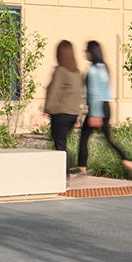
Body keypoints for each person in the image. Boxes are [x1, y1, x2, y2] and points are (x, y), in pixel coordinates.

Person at [77, 41, 132, 180]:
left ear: (91, 52)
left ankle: (81, 168)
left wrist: (95, 114)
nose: (85, 54)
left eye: (87, 51)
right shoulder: (104, 68)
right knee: (107, 138)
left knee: (84, 138)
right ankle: (127, 160)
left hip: (97, 107)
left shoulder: (93, 70)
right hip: (107, 106)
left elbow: (94, 93)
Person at [42, 40, 86, 172]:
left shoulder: (61, 70)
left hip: (60, 113)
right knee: (62, 145)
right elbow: (79, 94)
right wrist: (78, 115)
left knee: (60, 147)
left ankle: (63, 176)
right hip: (72, 114)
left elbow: (54, 91)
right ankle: (64, 173)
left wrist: (46, 110)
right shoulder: (77, 72)